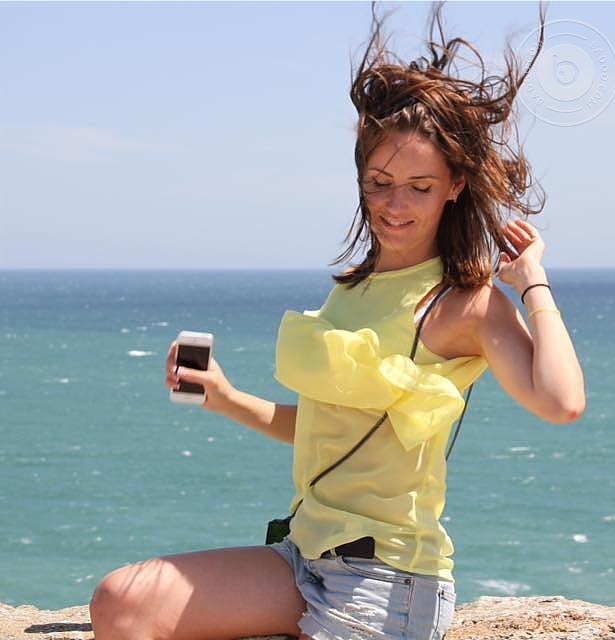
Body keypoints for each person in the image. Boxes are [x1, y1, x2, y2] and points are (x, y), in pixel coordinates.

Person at [89, 3, 585, 639]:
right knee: (121, 601)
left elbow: (562, 402)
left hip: (390, 583)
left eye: (420, 186)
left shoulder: (467, 304)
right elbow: (328, 428)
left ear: (455, 185)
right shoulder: (351, 293)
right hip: (301, 559)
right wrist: (226, 398)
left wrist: (533, 282)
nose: (395, 205)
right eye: (380, 182)